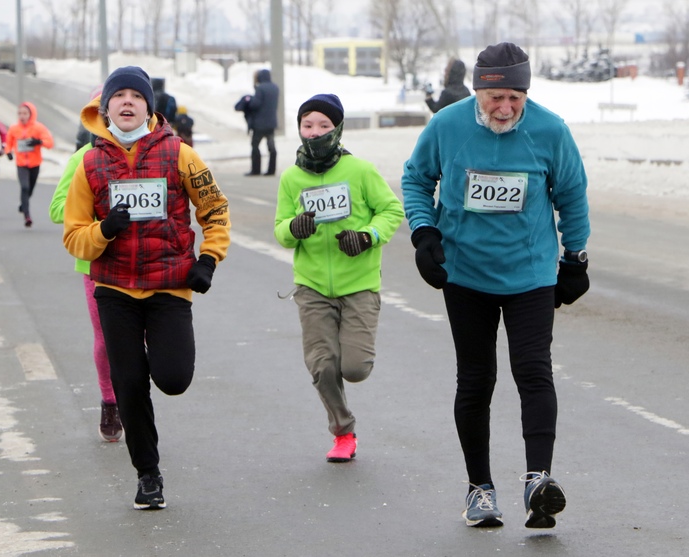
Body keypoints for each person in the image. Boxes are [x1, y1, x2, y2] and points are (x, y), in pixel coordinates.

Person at [401, 43, 590, 529]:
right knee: (477, 378)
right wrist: (424, 234)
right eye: (495, 98)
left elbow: (571, 195)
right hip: (465, 274)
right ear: (479, 91)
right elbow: (416, 179)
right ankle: (479, 489)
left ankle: (538, 481)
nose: (505, 108)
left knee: (533, 371)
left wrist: (575, 257)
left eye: (515, 97)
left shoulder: (550, 130)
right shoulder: (447, 126)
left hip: (530, 275)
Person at [62, 66, 231, 510]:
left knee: (173, 379)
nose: (128, 103)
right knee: (129, 384)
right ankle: (148, 475)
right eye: (119, 96)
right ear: (106, 108)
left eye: (137, 96)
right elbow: (73, 234)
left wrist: (209, 259)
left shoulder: (181, 154)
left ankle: (162, 366)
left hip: (168, 287)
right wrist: (104, 230)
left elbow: (214, 208)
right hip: (114, 289)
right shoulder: (89, 162)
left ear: (149, 107)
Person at [274, 93, 404, 463]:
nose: (314, 133)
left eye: (323, 126)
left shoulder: (360, 171)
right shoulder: (292, 178)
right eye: (307, 125)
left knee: (354, 368)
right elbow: (281, 231)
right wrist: (294, 228)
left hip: (359, 284)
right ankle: (343, 431)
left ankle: (351, 377)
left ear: (338, 129)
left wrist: (367, 237)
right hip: (311, 285)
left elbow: (391, 210)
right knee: (322, 365)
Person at [49, 96, 122, 443]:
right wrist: (99, 221)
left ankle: (134, 400)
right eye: (110, 109)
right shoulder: (83, 157)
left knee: (141, 337)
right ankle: (110, 401)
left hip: (143, 261)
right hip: (95, 262)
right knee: (107, 339)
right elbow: (57, 208)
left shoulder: (149, 155)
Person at [4, 101, 54, 227]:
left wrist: (38, 142)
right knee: (24, 187)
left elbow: (50, 143)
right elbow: (8, 142)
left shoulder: (38, 128)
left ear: (31, 114)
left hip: (35, 163)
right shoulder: (14, 128)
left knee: (30, 189)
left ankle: (23, 204)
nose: (22, 116)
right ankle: (27, 216)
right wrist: (8, 152)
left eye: (25, 113)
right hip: (21, 164)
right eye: (20, 113)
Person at [234, 68, 278, 176]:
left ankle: (256, 170)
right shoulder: (275, 88)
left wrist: (250, 100)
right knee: (271, 147)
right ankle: (271, 170)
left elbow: (255, 104)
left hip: (260, 123)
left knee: (255, 145)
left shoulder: (260, 88)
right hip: (271, 122)